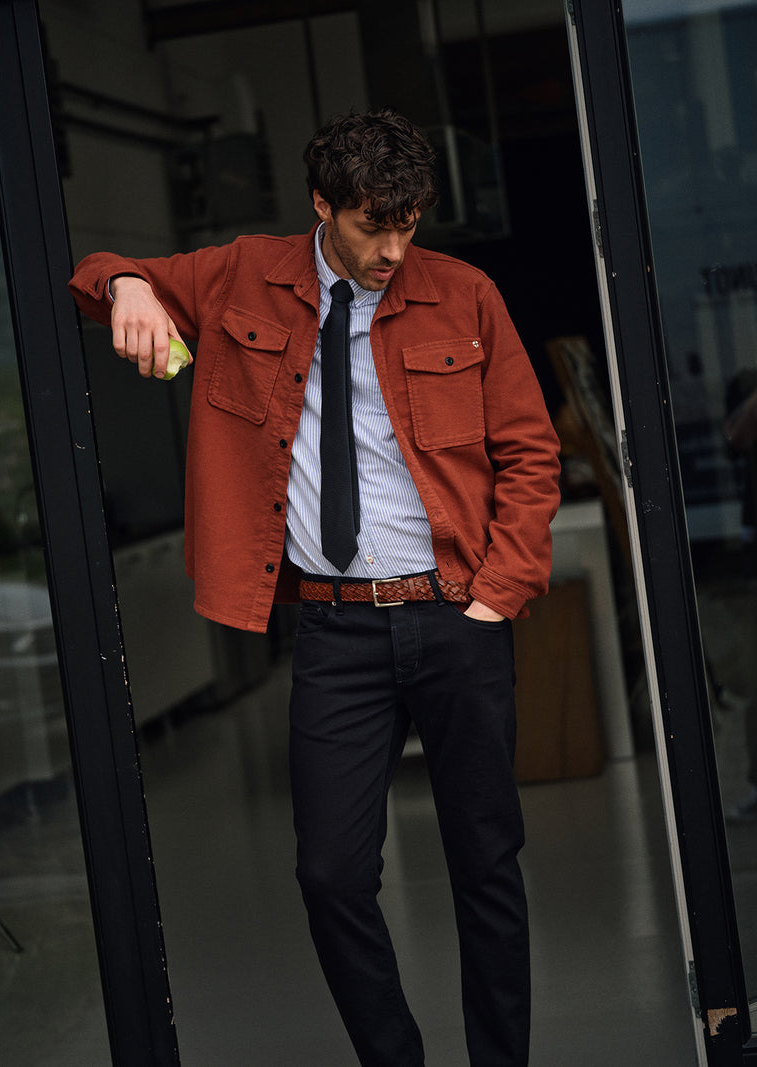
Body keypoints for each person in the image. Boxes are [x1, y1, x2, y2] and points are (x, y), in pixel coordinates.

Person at [69, 107, 561, 1067]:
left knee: (486, 867)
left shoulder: (465, 295)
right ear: (321, 205)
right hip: (338, 636)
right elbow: (95, 272)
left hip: (457, 614)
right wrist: (130, 283)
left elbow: (530, 454)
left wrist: (498, 594)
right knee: (331, 873)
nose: (393, 248)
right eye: (373, 224)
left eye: (410, 223)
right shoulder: (243, 274)